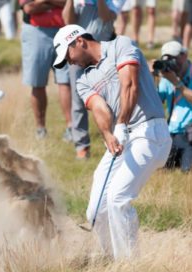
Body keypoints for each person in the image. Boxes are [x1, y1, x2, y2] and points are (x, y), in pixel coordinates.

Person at [53, 24, 172, 259]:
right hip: (122, 136)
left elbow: (130, 86)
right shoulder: (83, 79)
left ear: (79, 41)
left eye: (67, 55)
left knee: (118, 198)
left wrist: (121, 124)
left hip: (150, 131)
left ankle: (130, 268)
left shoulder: (121, 45)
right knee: (96, 210)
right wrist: (108, 134)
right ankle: (112, 260)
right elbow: (99, 108)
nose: (68, 62)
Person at [62, 0, 125, 158]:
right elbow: (67, 21)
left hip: (103, 54)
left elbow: (105, 16)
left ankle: (115, 139)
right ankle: (82, 146)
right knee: (78, 101)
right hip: (77, 53)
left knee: (112, 98)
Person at [20, 0, 72, 140]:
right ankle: (40, 129)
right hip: (36, 31)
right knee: (37, 82)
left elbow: (70, 4)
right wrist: (55, 3)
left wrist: (43, 2)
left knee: (66, 82)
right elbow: (29, 8)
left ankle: (71, 128)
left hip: (64, 31)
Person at [156, 41, 192, 172]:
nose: (172, 63)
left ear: (184, 55)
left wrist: (177, 83)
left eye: (174, 58)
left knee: (189, 170)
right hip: (171, 134)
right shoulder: (167, 75)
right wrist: (151, 77)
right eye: (168, 60)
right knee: (156, 168)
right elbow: (156, 102)